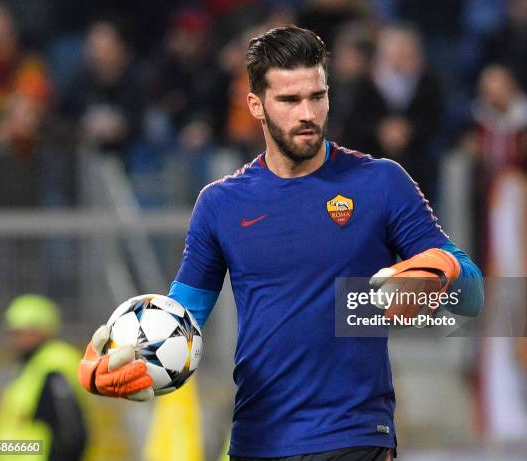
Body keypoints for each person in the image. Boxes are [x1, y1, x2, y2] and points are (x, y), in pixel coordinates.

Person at [78, 26, 483, 460]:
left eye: (317, 96)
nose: (307, 113)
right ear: (256, 105)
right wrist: (126, 364)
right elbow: (181, 322)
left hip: (354, 436)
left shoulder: (381, 182)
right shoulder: (221, 203)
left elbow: (472, 293)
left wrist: (443, 268)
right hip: (257, 440)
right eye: (289, 100)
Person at [0, 294, 89, 461]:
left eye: (22, 333)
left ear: (42, 330)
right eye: (13, 333)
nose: (16, 340)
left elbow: (70, 434)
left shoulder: (54, 366)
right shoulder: (30, 366)